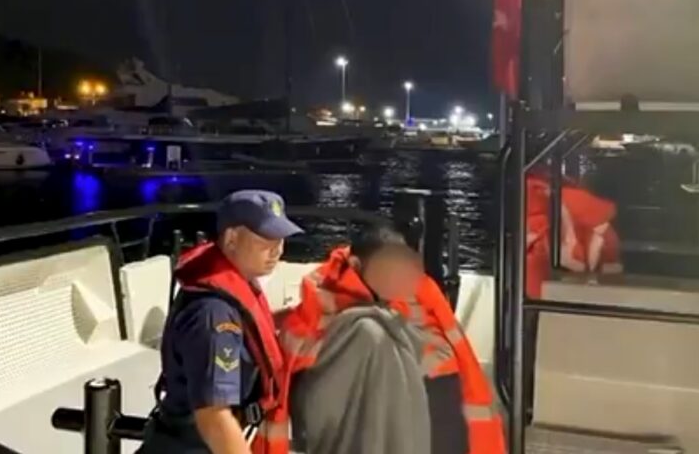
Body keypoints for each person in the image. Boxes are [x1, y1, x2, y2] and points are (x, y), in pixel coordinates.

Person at [261, 224, 506, 454]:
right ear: (356, 265)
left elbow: (452, 351)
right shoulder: (330, 302)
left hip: (428, 413)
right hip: (364, 412)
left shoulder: (422, 292)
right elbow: (304, 351)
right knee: (370, 337)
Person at [137, 190, 303, 454]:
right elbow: (214, 418)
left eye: (280, 239)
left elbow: (248, 331)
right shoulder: (214, 315)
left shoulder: (233, 290)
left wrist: (293, 317)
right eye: (265, 239)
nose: (277, 250)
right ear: (232, 239)